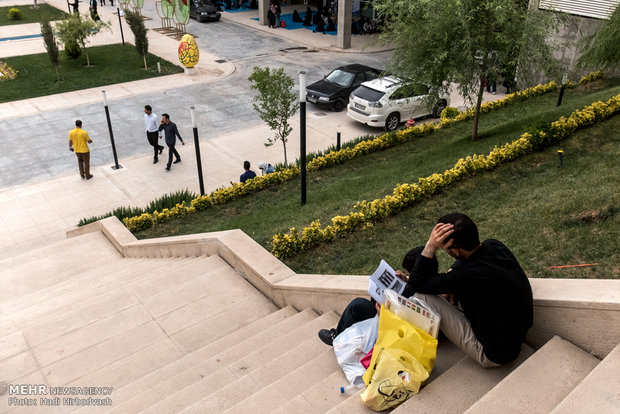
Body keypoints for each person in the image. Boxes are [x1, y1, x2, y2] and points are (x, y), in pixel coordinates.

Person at [405, 212, 533, 367]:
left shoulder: (464, 276)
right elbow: (463, 268)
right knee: (445, 291)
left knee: (422, 296)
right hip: (514, 335)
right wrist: (452, 278)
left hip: (493, 354)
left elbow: (415, 284)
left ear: (456, 251)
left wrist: (430, 246)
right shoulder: (494, 246)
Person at [318, 246, 425, 346]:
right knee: (377, 295)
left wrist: (382, 314)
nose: (408, 277)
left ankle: (337, 337)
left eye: (409, 275)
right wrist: (407, 282)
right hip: (407, 309)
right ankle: (367, 330)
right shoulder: (430, 282)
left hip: (404, 328)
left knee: (357, 305)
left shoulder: (425, 296)